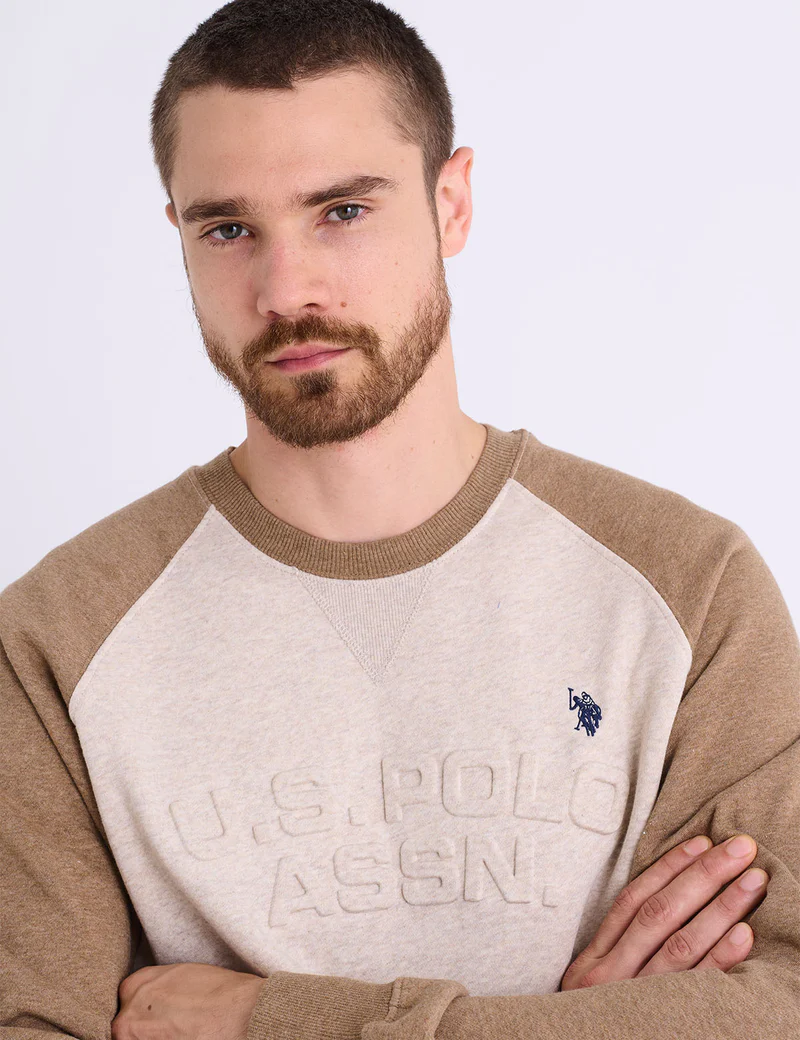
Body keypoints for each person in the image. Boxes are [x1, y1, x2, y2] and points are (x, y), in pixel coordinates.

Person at [1, 0, 798, 1037]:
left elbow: (780, 1002)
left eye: (342, 210)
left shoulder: (686, 586)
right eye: (229, 228)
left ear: (450, 203)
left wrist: (279, 1021)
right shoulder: (59, 639)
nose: (287, 289)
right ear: (179, 237)